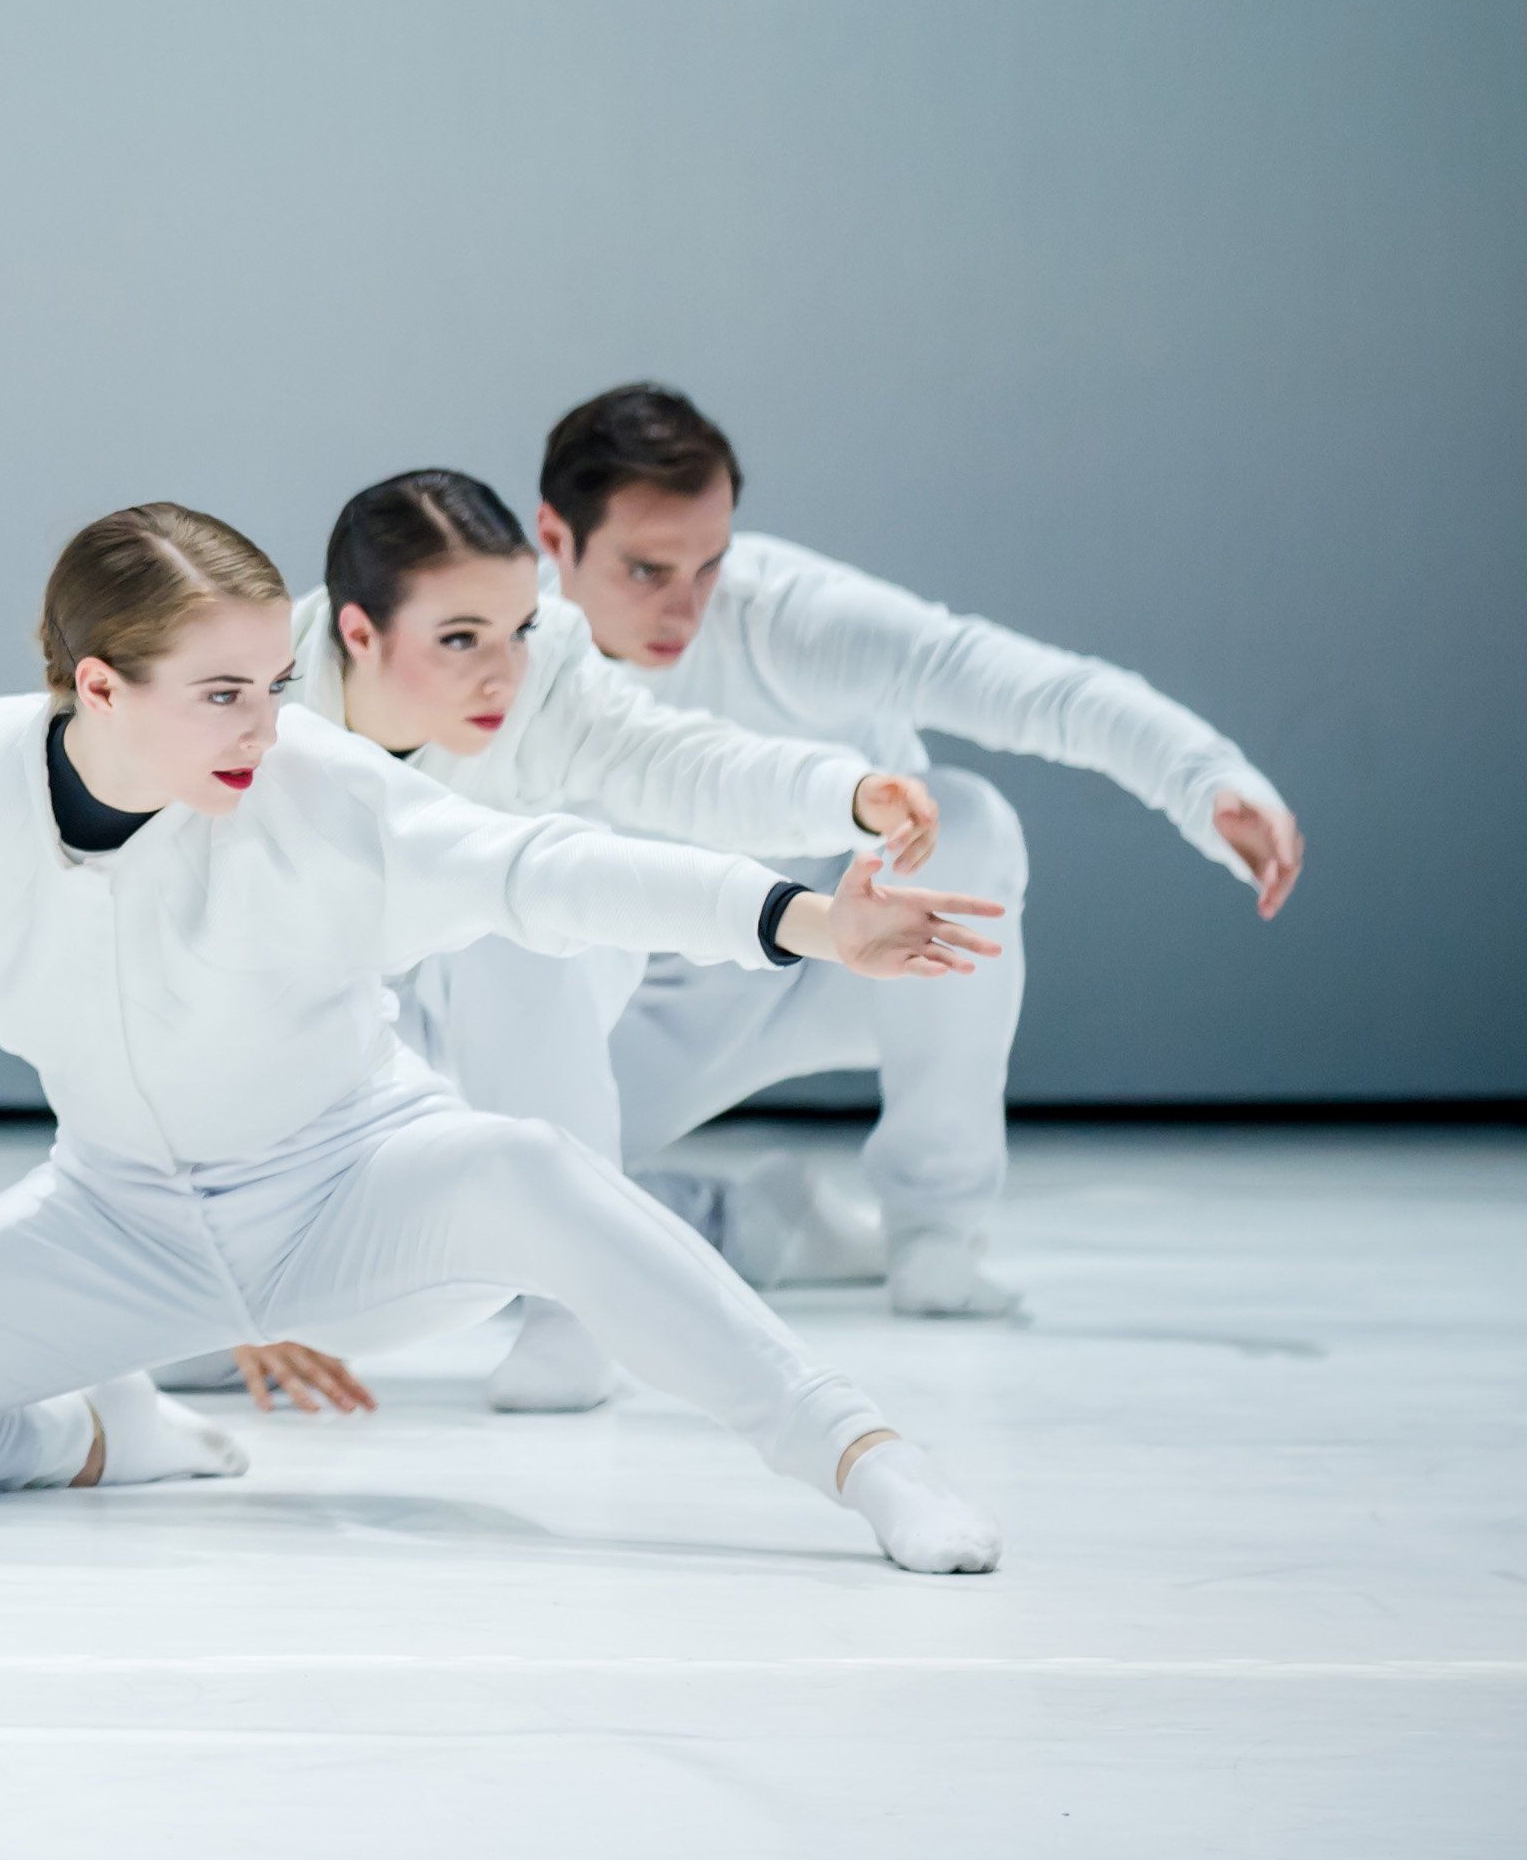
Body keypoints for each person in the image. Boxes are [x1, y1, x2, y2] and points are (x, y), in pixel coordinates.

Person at [0, 502, 1012, 1574]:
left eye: (275, 682)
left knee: (534, 1172)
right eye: (222, 695)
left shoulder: (316, 787)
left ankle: (868, 1457)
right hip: (114, 1225)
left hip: (360, 1194)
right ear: (98, 684)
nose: (266, 723)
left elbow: (540, 870)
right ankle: (90, 1436)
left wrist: (803, 920)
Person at [535, 383, 1310, 1318]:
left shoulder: (789, 617)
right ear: (554, 541)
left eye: (709, 565)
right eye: (648, 572)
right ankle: (767, 1228)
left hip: (862, 952)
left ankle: (935, 1232)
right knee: (498, 1221)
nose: (686, 606)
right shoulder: (504, 656)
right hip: (648, 1004)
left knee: (969, 826)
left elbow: (1030, 687)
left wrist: (1205, 778)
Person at [285, 467, 912, 1414]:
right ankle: (755, 1221)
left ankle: (575, 1308)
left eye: (519, 629)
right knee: (191, 1348)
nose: (504, 671)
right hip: (335, 1059)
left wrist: (842, 794)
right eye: (459, 639)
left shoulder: (546, 686)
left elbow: (679, 760)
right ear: (358, 632)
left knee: (521, 916)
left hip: (510, 999)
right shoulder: (253, 705)